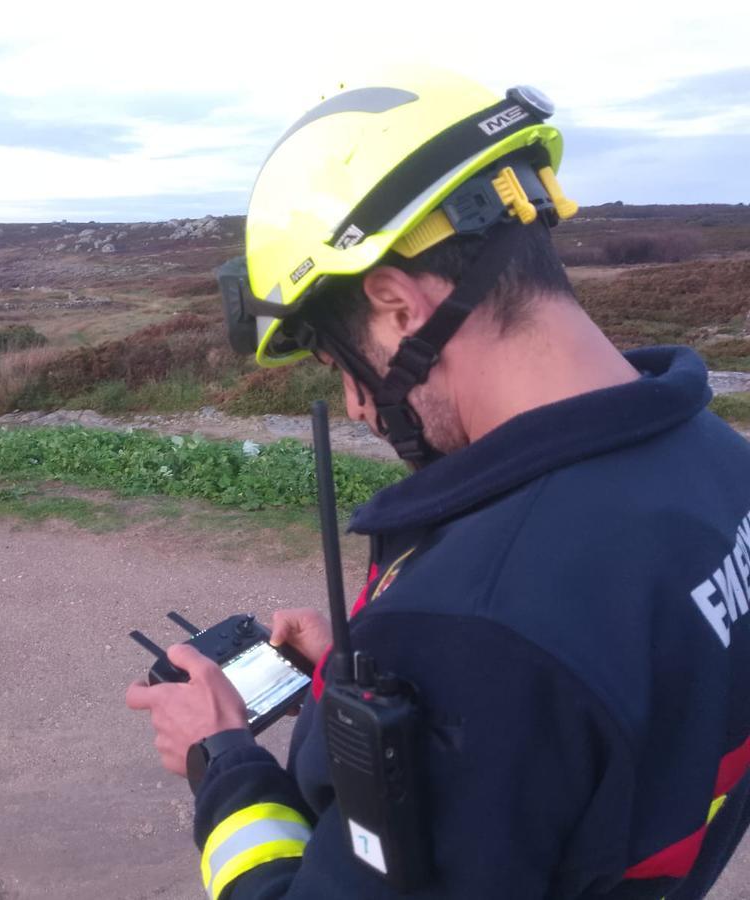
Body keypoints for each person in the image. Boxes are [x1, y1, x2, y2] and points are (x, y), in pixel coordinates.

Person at [126, 67, 750, 899]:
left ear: (396, 306)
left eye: (340, 364)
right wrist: (363, 684)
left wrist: (224, 761)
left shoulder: (474, 630)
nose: (355, 406)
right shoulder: (715, 460)